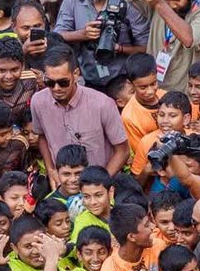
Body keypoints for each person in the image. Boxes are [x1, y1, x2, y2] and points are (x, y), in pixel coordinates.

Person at [30, 46, 129, 186]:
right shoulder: (38, 102)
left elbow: (123, 151)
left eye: (63, 82)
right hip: (63, 185)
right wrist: (51, 170)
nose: (56, 88)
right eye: (50, 83)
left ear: (76, 74)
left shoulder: (103, 104)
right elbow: (42, 137)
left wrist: (99, 184)